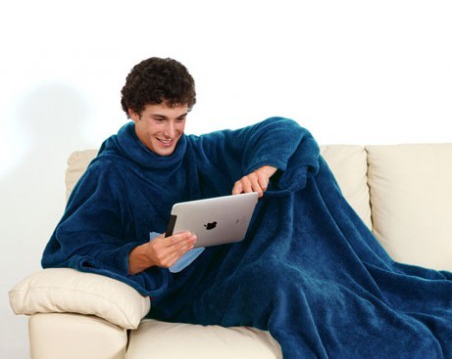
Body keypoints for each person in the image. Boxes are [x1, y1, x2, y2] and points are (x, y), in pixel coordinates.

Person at [42, 57, 452, 359]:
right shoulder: (108, 172)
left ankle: (362, 293)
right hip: (190, 295)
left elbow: (285, 129)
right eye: (159, 119)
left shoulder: (199, 150)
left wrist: (262, 168)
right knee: (283, 284)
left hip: (236, 265)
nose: (172, 132)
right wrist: (143, 256)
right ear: (133, 113)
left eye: (180, 118)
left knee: (293, 171)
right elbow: (68, 247)